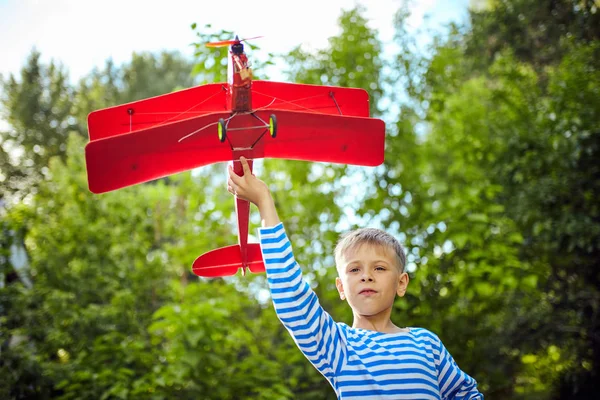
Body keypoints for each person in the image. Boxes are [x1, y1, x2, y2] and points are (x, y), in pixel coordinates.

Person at [228, 156, 483, 399]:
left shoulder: (427, 344)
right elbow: (293, 300)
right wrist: (264, 202)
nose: (367, 277)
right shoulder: (339, 346)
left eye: (380, 268)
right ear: (341, 287)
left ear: (401, 283)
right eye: (354, 270)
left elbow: (466, 393)